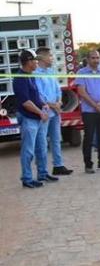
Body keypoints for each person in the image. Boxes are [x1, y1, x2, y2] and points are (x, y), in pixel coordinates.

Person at [13, 49, 57, 187]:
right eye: (35, 60)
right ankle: (26, 178)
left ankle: (42, 174)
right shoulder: (20, 79)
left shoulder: (31, 75)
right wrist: (40, 112)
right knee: (28, 150)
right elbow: (26, 102)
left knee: (42, 147)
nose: (37, 62)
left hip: (37, 117)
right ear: (28, 62)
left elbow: (35, 96)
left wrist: (43, 105)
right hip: (28, 118)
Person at [34, 47, 73, 175]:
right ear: (41, 58)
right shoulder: (35, 74)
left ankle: (58, 165)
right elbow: (39, 95)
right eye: (49, 56)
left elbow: (58, 89)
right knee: (42, 142)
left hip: (55, 111)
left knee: (56, 139)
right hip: (44, 112)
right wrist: (52, 105)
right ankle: (43, 170)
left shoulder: (51, 71)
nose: (52, 58)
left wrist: (59, 102)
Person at [75, 50, 100, 173]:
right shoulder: (81, 73)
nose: (96, 60)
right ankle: (88, 164)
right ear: (87, 59)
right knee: (89, 137)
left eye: (97, 58)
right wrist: (94, 105)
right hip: (89, 111)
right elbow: (81, 92)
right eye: (93, 58)